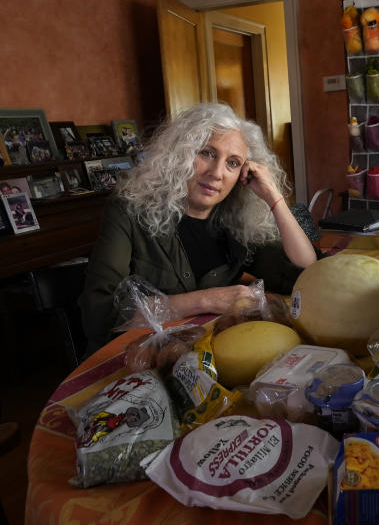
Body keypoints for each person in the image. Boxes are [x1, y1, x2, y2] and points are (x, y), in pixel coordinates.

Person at [79, 102, 318, 353]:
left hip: (207, 354)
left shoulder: (236, 219)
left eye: (233, 163)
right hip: (136, 358)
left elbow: (304, 273)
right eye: (207, 153)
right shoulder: (127, 211)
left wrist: (274, 197)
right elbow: (99, 313)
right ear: (180, 154)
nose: (217, 173)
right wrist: (207, 300)